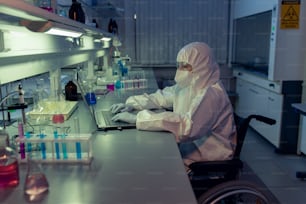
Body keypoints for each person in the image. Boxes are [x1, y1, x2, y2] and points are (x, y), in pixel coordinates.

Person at [110, 42, 237, 170]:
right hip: (189, 147)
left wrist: (138, 118)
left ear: (201, 66)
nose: (179, 69)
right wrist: (132, 104)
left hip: (206, 158)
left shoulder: (211, 94)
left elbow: (186, 127)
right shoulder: (190, 85)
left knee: (152, 166)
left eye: (185, 66)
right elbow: (162, 97)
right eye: (179, 65)